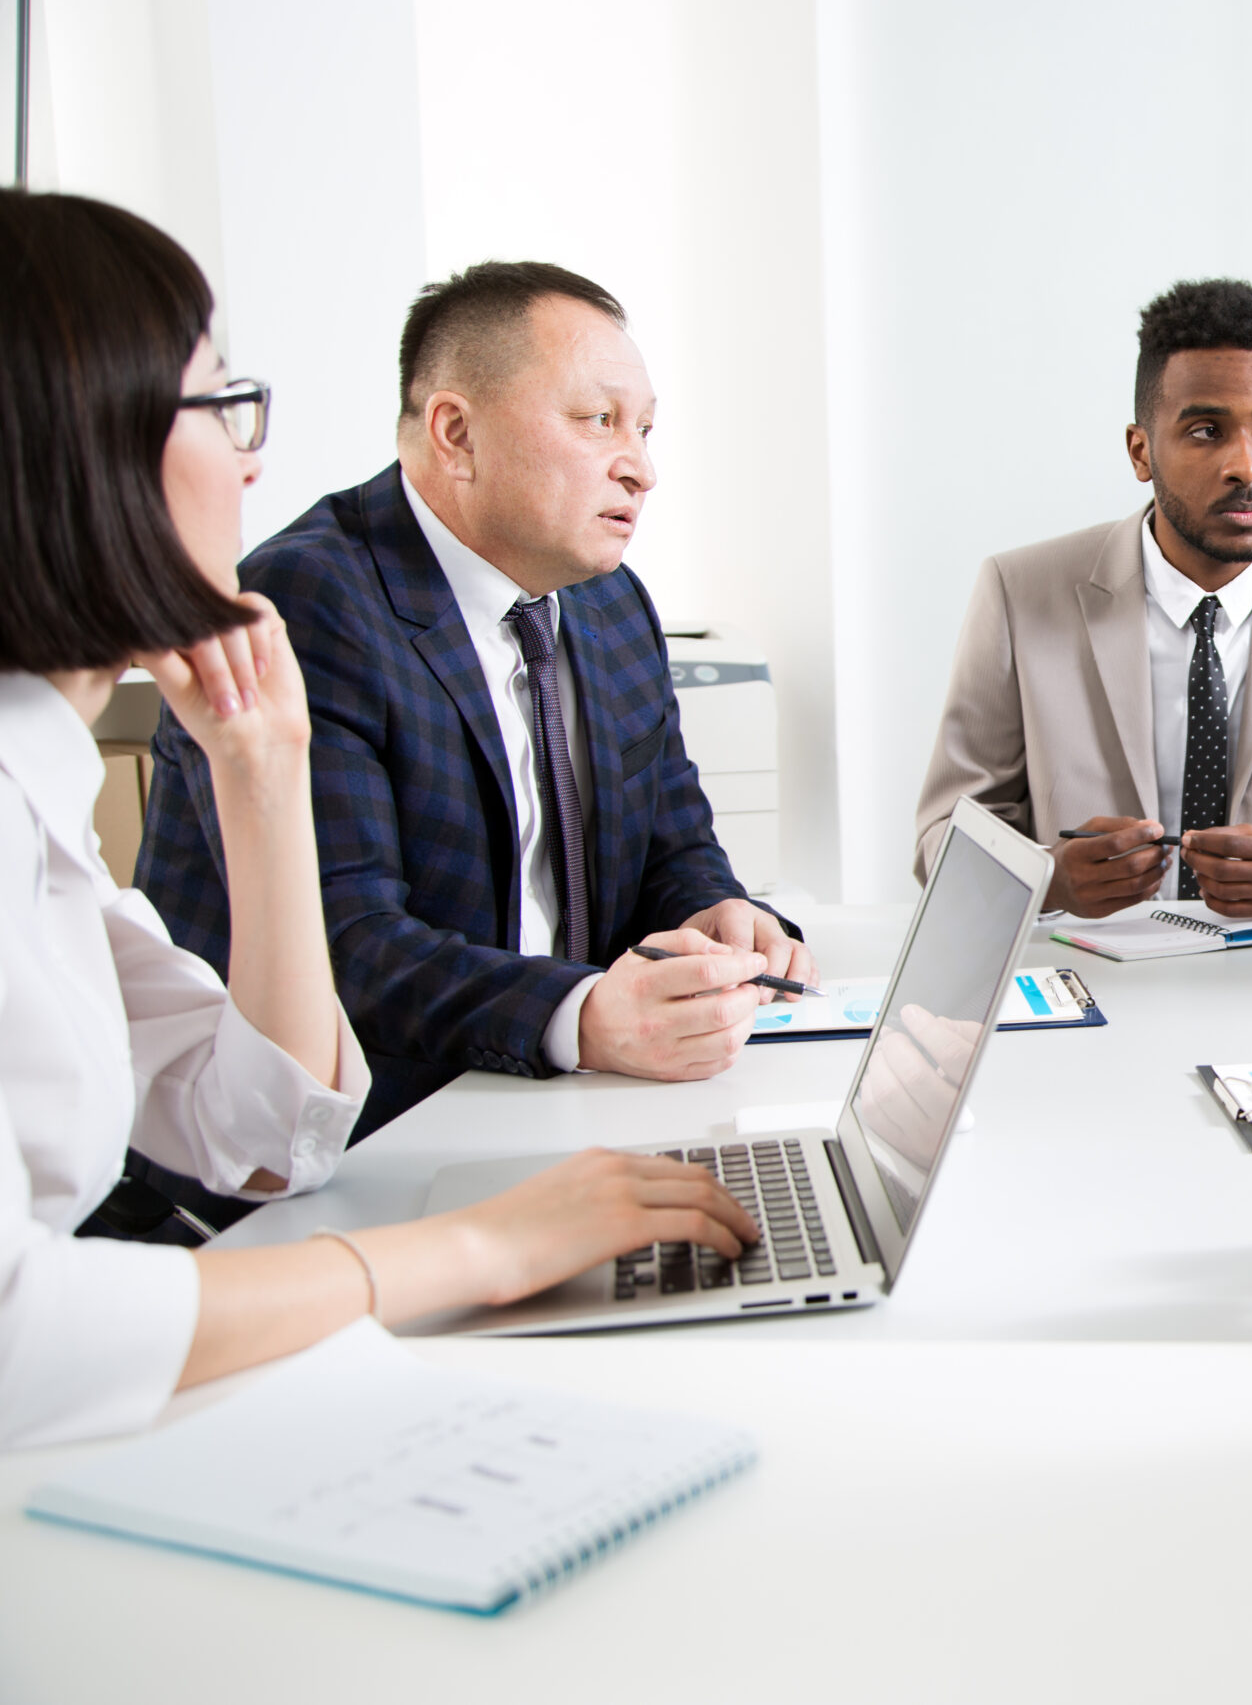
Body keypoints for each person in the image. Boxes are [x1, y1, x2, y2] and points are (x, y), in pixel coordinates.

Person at [0, 190, 758, 1449]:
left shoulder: (44, 787)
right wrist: (472, 1248)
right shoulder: (316, 589)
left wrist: (263, 774)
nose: (252, 459)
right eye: (218, 406)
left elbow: (267, 1133)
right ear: (75, 442)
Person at [139, 261, 813, 1145]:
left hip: (549, 1109)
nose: (641, 468)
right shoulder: (313, 599)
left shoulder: (611, 603)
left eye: (646, 429)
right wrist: (581, 1015)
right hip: (348, 1138)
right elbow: (350, 942)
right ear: (456, 431)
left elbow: (674, 845)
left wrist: (715, 914)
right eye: (599, 420)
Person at [914, 279, 1252, 920]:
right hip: (1098, 986)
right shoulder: (1020, 594)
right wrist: (1047, 880)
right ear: (1141, 450)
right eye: (1207, 430)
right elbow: (943, 840)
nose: (1247, 465)